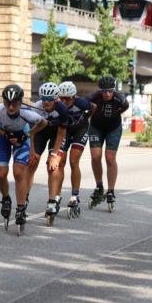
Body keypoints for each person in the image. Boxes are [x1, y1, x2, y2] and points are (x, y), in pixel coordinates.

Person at [0, 84, 48, 234]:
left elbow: (43, 123)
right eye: (8, 103)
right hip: (3, 138)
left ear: (21, 102)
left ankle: (21, 208)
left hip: (22, 137)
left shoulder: (28, 113)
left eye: (14, 103)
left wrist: (27, 135)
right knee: (1, 174)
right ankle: (6, 198)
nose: (11, 107)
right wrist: (4, 134)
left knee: (19, 172)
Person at [27, 82, 72, 226]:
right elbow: (31, 132)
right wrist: (32, 151)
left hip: (56, 135)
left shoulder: (62, 110)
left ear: (56, 99)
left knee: (52, 166)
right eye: (44, 98)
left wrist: (54, 155)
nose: (46, 102)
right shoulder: (37, 107)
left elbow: (61, 134)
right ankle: (25, 197)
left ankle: (52, 201)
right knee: (32, 162)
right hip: (39, 132)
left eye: (50, 99)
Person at [86, 75, 130, 211]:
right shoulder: (93, 97)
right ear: (100, 90)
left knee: (110, 158)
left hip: (113, 129)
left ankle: (111, 190)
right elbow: (84, 105)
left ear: (114, 90)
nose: (107, 94)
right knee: (95, 157)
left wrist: (116, 113)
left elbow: (125, 107)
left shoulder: (120, 99)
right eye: (104, 91)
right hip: (96, 128)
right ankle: (99, 186)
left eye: (110, 91)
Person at [57, 80, 96, 217]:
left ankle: (75, 195)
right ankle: (56, 195)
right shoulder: (58, 104)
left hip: (81, 130)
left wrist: (86, 117)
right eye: (61, 98)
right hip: (66, 132)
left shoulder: (82, 103)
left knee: (74, 161)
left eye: (66, 98)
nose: (63, 100)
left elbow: (94, 107)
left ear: (73, 97)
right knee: (60, 162)